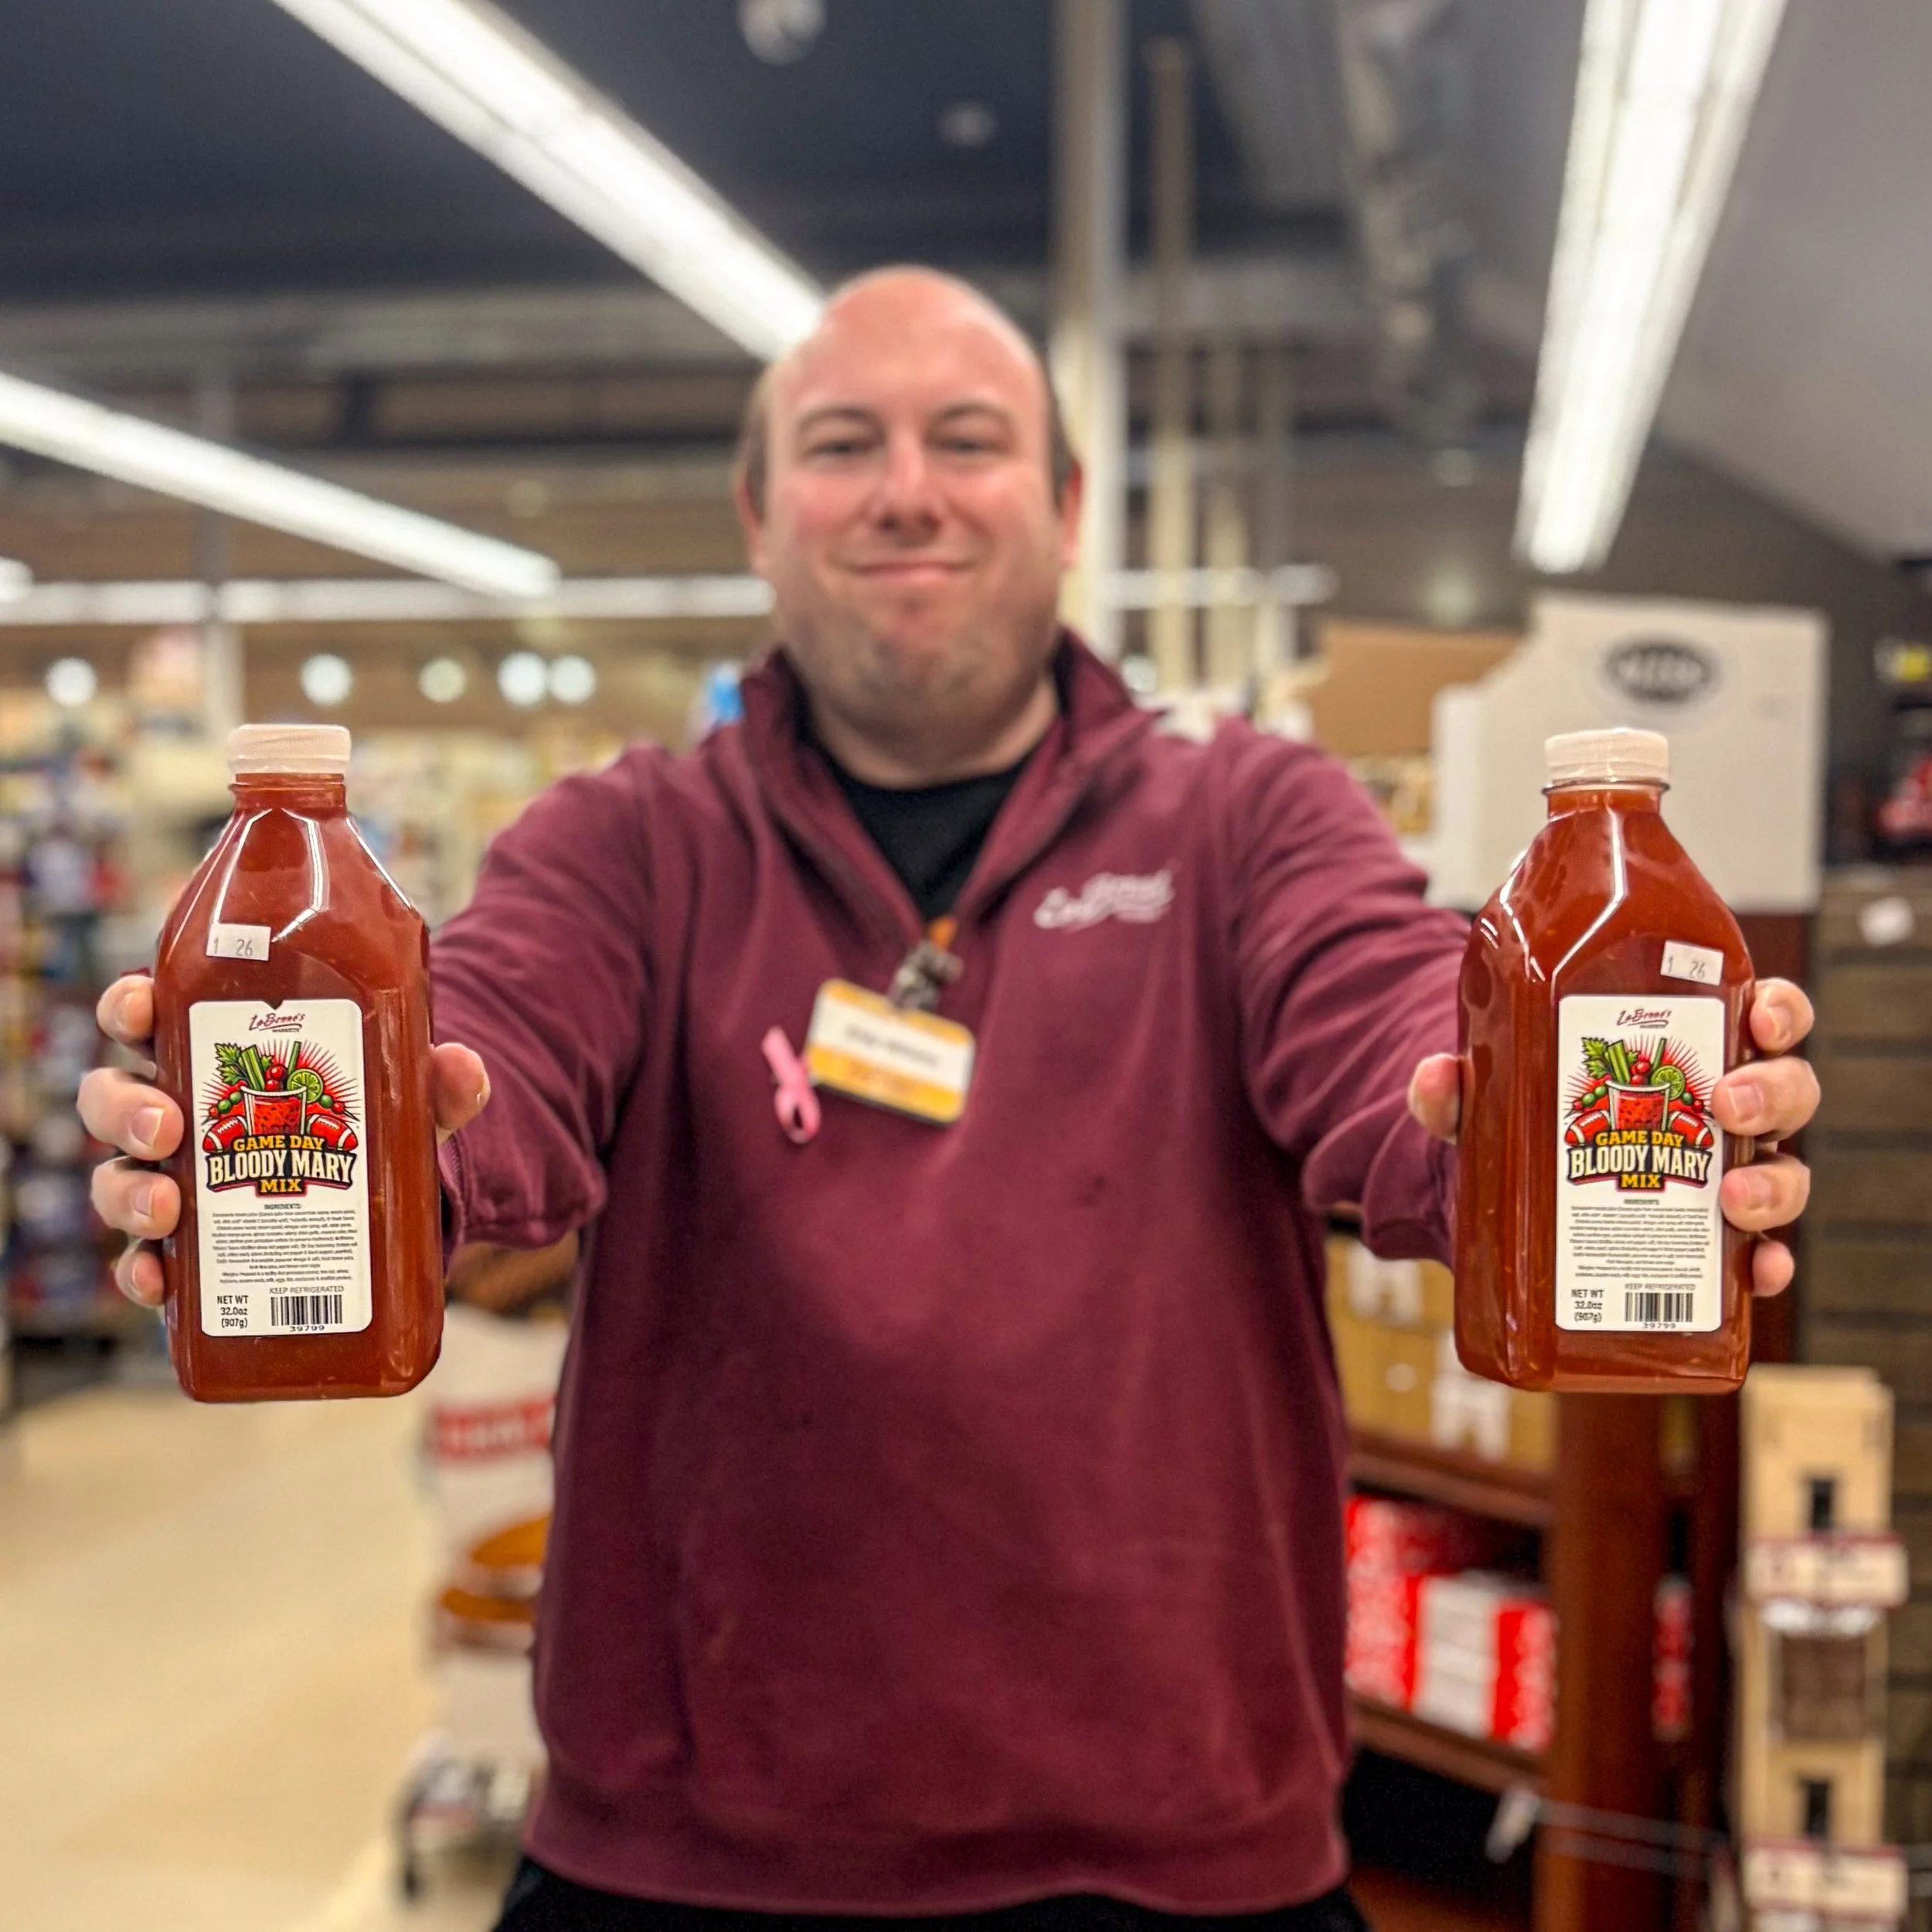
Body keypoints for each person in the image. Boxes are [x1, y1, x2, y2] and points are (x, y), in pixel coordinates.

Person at [81, 268, 1821, 1932]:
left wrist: (1527, 1133)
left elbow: (1381, 1018)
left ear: (1064, 506)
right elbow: (499, 1032)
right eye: (843, 443)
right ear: (761, 516)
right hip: (687, 1865)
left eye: (966, 437)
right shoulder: (630, 840)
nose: (906, 490)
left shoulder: (1248, 819)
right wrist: (371, 1143)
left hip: (1182, 1858)